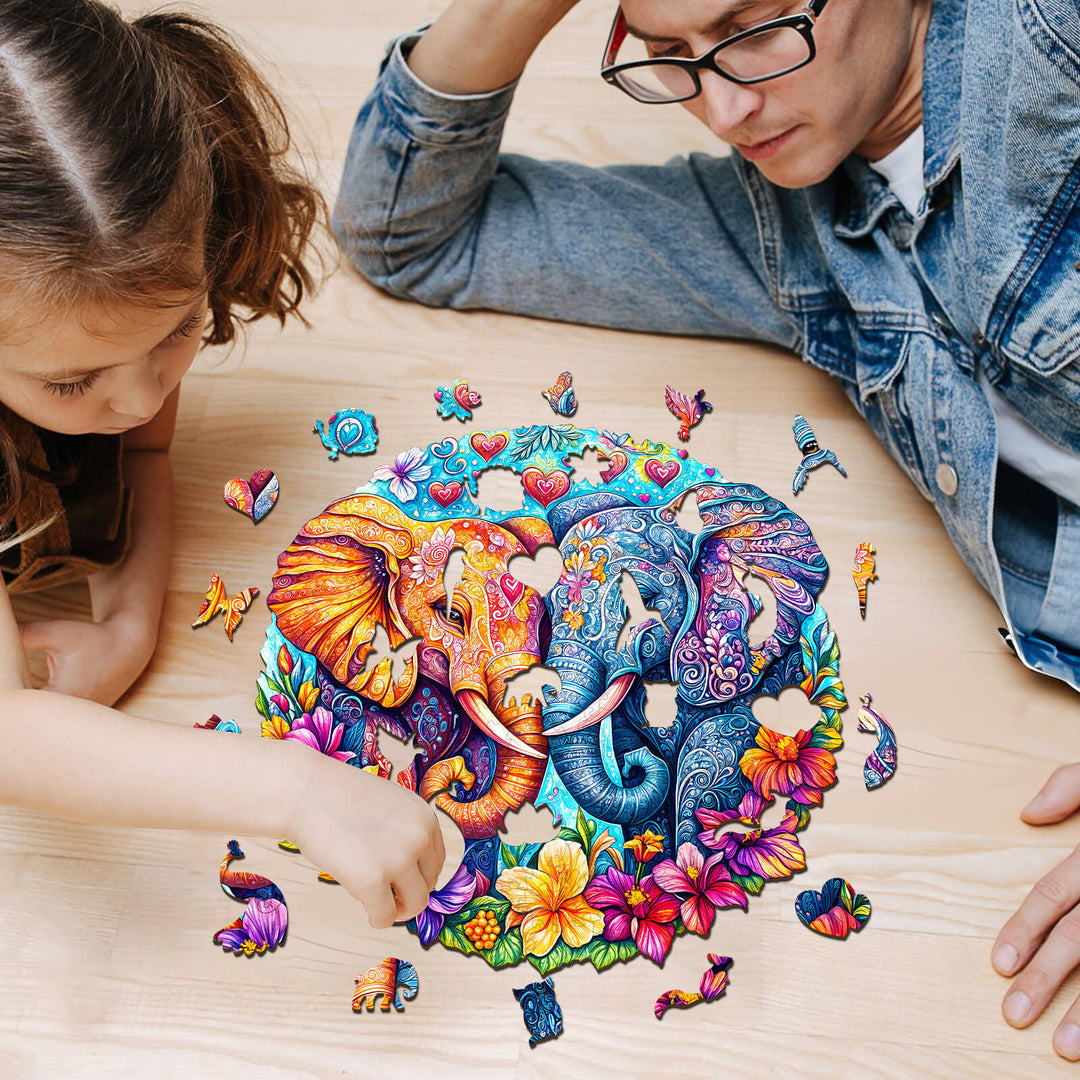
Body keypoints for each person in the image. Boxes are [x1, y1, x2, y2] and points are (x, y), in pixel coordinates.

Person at [330, 0, 1080, 1056]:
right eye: (669, 53)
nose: (723, 107)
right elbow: (406, 232)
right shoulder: (778, 217)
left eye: (753, 25)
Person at [0, 0, 444, 931]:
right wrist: (296, 789)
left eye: (177, 332)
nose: (135, 398)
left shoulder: (111, 340)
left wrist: (126, 624)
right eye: (74, 382)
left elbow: (147, 446)